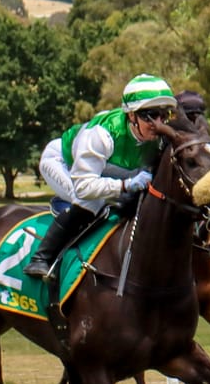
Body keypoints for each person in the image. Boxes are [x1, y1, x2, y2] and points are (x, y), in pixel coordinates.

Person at [24, 74, 177, 280]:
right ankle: (42, 258)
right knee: (91, 201)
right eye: (149, 115)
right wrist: (126, 185)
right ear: (131, 115)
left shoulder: (156, 139)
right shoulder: (102, 134)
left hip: (102, 169)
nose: (158, 124)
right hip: (62, 163)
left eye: (163, 115)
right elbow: (85, 187)